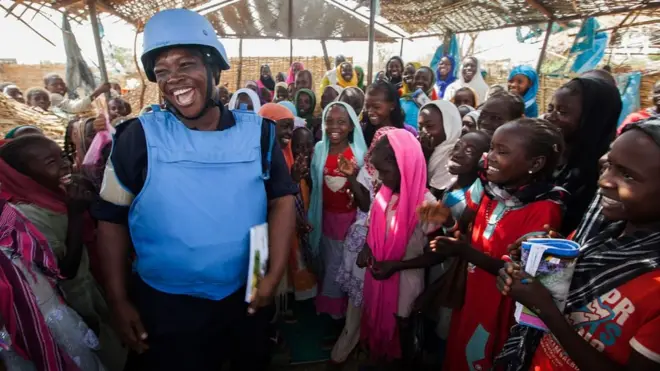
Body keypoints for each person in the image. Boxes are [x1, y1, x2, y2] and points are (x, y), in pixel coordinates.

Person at [91, 9, 296, 371]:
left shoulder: (259, 134)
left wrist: (272, 274)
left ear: (213, 69)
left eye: (187, 65)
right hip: (166, 304)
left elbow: (280, 201)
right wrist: (118, 299)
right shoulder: (136, 139)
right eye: (163, 72)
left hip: (244, 294)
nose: (175, 79)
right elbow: (111, 220)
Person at [497, 118, 660, 371]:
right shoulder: (603, 236)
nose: (605, 181)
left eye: (627, 175)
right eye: (608, 165)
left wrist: (546, 310)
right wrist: (545, 258)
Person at [421, 118, 567, 371]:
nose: (490, 156)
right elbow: (470, 237)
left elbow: (522, 275)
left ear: (535, 163)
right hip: (472, 295)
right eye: (492, 148)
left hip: (500, 306)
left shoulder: (545, 210)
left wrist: (463, 251)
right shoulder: (491, 192)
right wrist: (448, 223)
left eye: (503, 151)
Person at [0, 135, 126, 370]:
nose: (65, 164)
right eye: (51, 162)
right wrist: (76, 214)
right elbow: (63, 271)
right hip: (70, 301)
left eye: (63, 156)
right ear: (24, 176)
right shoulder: (29, 216)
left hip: (88, 289)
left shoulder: (54, 197)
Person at [358, 129, 437, 364]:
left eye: (385, 171)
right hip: (379, 277)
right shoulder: (384, 195)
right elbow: (373, 230)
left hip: (406, 282)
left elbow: (439, 252)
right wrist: (366, 249)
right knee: (377, 320)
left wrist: (399, 265)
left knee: (402, 327)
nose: (381, 178)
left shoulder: (427, 204)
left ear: (404, 164)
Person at [0, 198, 106, 371]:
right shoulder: (11, 218)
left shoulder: (11, 218)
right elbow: (62, 271)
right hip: (33, 326)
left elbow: (57, 271)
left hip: (46, 319)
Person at [331, 125, 396, 367]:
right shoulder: (367, 172)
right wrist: (352, 176)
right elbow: (365, 205)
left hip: (382, 247)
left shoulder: (403, 182)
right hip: (361, 241)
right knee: (357, 303)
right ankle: (350, 344)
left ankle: (359, 346)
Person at [309, 101, 367, 320]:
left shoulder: (360, 154)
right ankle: (336, 309)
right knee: (329, 260)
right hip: (324, 217)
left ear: (352, 126)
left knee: (341, 264)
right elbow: (315, 185)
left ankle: (336, 312)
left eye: (342, 122)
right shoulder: (319, 150)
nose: (335, 127)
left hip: (350, 220)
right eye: (329, 121)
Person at [546, 76, 621, 235]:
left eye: (562, 112)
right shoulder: (547, 153)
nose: (550, 117)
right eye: (550, 108)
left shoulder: (604, 172)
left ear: (594, 118)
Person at [259, 103, 317, 304]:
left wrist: (293, 178)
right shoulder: (256, 156)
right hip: (259, 229)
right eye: (283, 126)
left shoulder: (287, 155)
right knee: (259, 277)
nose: (288, 132)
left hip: (280, 227)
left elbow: (285, 197)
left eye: (290, 127)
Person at [417, 100, 463, 196]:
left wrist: (425, 155)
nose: (423, 132)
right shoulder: (426, 148)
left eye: (429, 126)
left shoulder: (455, 155)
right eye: (420, 127)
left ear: (448, 125)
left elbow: (431, 196)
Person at [363, 80, 416, 147]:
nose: (370, 111)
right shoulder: (362, 132)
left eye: (376, 107)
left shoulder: (409, 133)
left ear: (392, 105)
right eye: (367, 106)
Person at [43, 73, 110, 115]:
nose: (60, 87)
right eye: (54, 85)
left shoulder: (63, 97)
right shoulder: (53, 97)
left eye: (62, 84)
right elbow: (75, 108)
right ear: (47, 88)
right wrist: (99, 91)